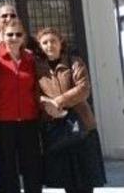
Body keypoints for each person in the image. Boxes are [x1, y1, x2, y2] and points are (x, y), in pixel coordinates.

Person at [36, 27, 106, 192]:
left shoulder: (75, 62)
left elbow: (83, 88)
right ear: (40, 46)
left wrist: (58, 101)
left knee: (86, 180)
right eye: (44, 43)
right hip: (57, 129)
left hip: (82, 127)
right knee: (67, 180)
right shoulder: (38, 68)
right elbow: (35, 93)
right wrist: (45, 101)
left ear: (61, 43)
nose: (49, 45)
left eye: (53, 41)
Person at [0, 19, 41, 193]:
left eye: (18, 34)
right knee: (7, 169)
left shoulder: (31, 59)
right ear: (2, 36)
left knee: (32, 167)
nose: (14, 38)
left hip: (29, 120)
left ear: (24, 37)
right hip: (3, 121)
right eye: (9, 34)